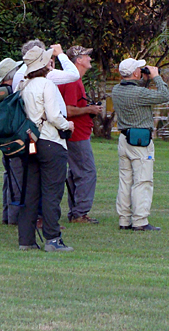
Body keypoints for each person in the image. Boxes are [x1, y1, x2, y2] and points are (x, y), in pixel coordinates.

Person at [18, 46, 75, 252]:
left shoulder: (24, 85)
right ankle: (52, 239)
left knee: (31, 192)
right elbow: (53, 116)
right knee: (52, 192)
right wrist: (67, 125)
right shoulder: (46, 84)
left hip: (30, 142)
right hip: (50, 142)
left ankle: (25, 239)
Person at [110, 58, 169, 232]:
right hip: (140, 141)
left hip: (124, 139)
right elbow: (164, 95)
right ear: (136, 73)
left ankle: (124, 219)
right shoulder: (138, 94)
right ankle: (140, 221)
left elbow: (137, 91)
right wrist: (156, 77)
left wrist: (145, 78)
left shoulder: (117, 90)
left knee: (125, 180)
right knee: (142, 180)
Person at [58, 46, 103, 224]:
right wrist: (89, 109)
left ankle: (76, 211)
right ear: (78, 60)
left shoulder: (74, 80)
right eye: (86, 56)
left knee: (76, 173)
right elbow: (67, 110)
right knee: (86, 172)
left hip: (77, 132)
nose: (89, 59)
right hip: (76, 134)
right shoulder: (72, 81)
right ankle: (80, 213)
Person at [0, 57, 24, 226]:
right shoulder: (10, 93)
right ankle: (15, 216)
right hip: (15, 141)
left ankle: (8, 213)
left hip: (5, 141)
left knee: (9, 176)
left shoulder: (1, 93)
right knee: (17, 177)